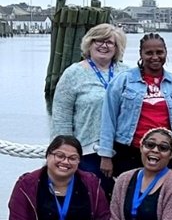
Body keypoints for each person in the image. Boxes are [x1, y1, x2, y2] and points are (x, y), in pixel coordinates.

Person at [100, 33, 172, 180]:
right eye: (149, 53)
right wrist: (106, 155)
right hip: (129, 152)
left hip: (166, 154)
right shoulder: (123, 81)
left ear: (165, 52)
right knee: (128, 198)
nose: (155, 57)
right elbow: (108, 119)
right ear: (141, 54)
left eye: (159, 52)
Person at [50, 24, 129, 194]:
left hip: (123, 150)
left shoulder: (128, 74)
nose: (103, 45)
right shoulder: (73, 73)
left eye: (109, 42)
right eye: (98, 40)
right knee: (92, 199)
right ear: (89, 44)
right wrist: (65, 152)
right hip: (87, 151)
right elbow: (61, 116)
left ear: (117, 48)